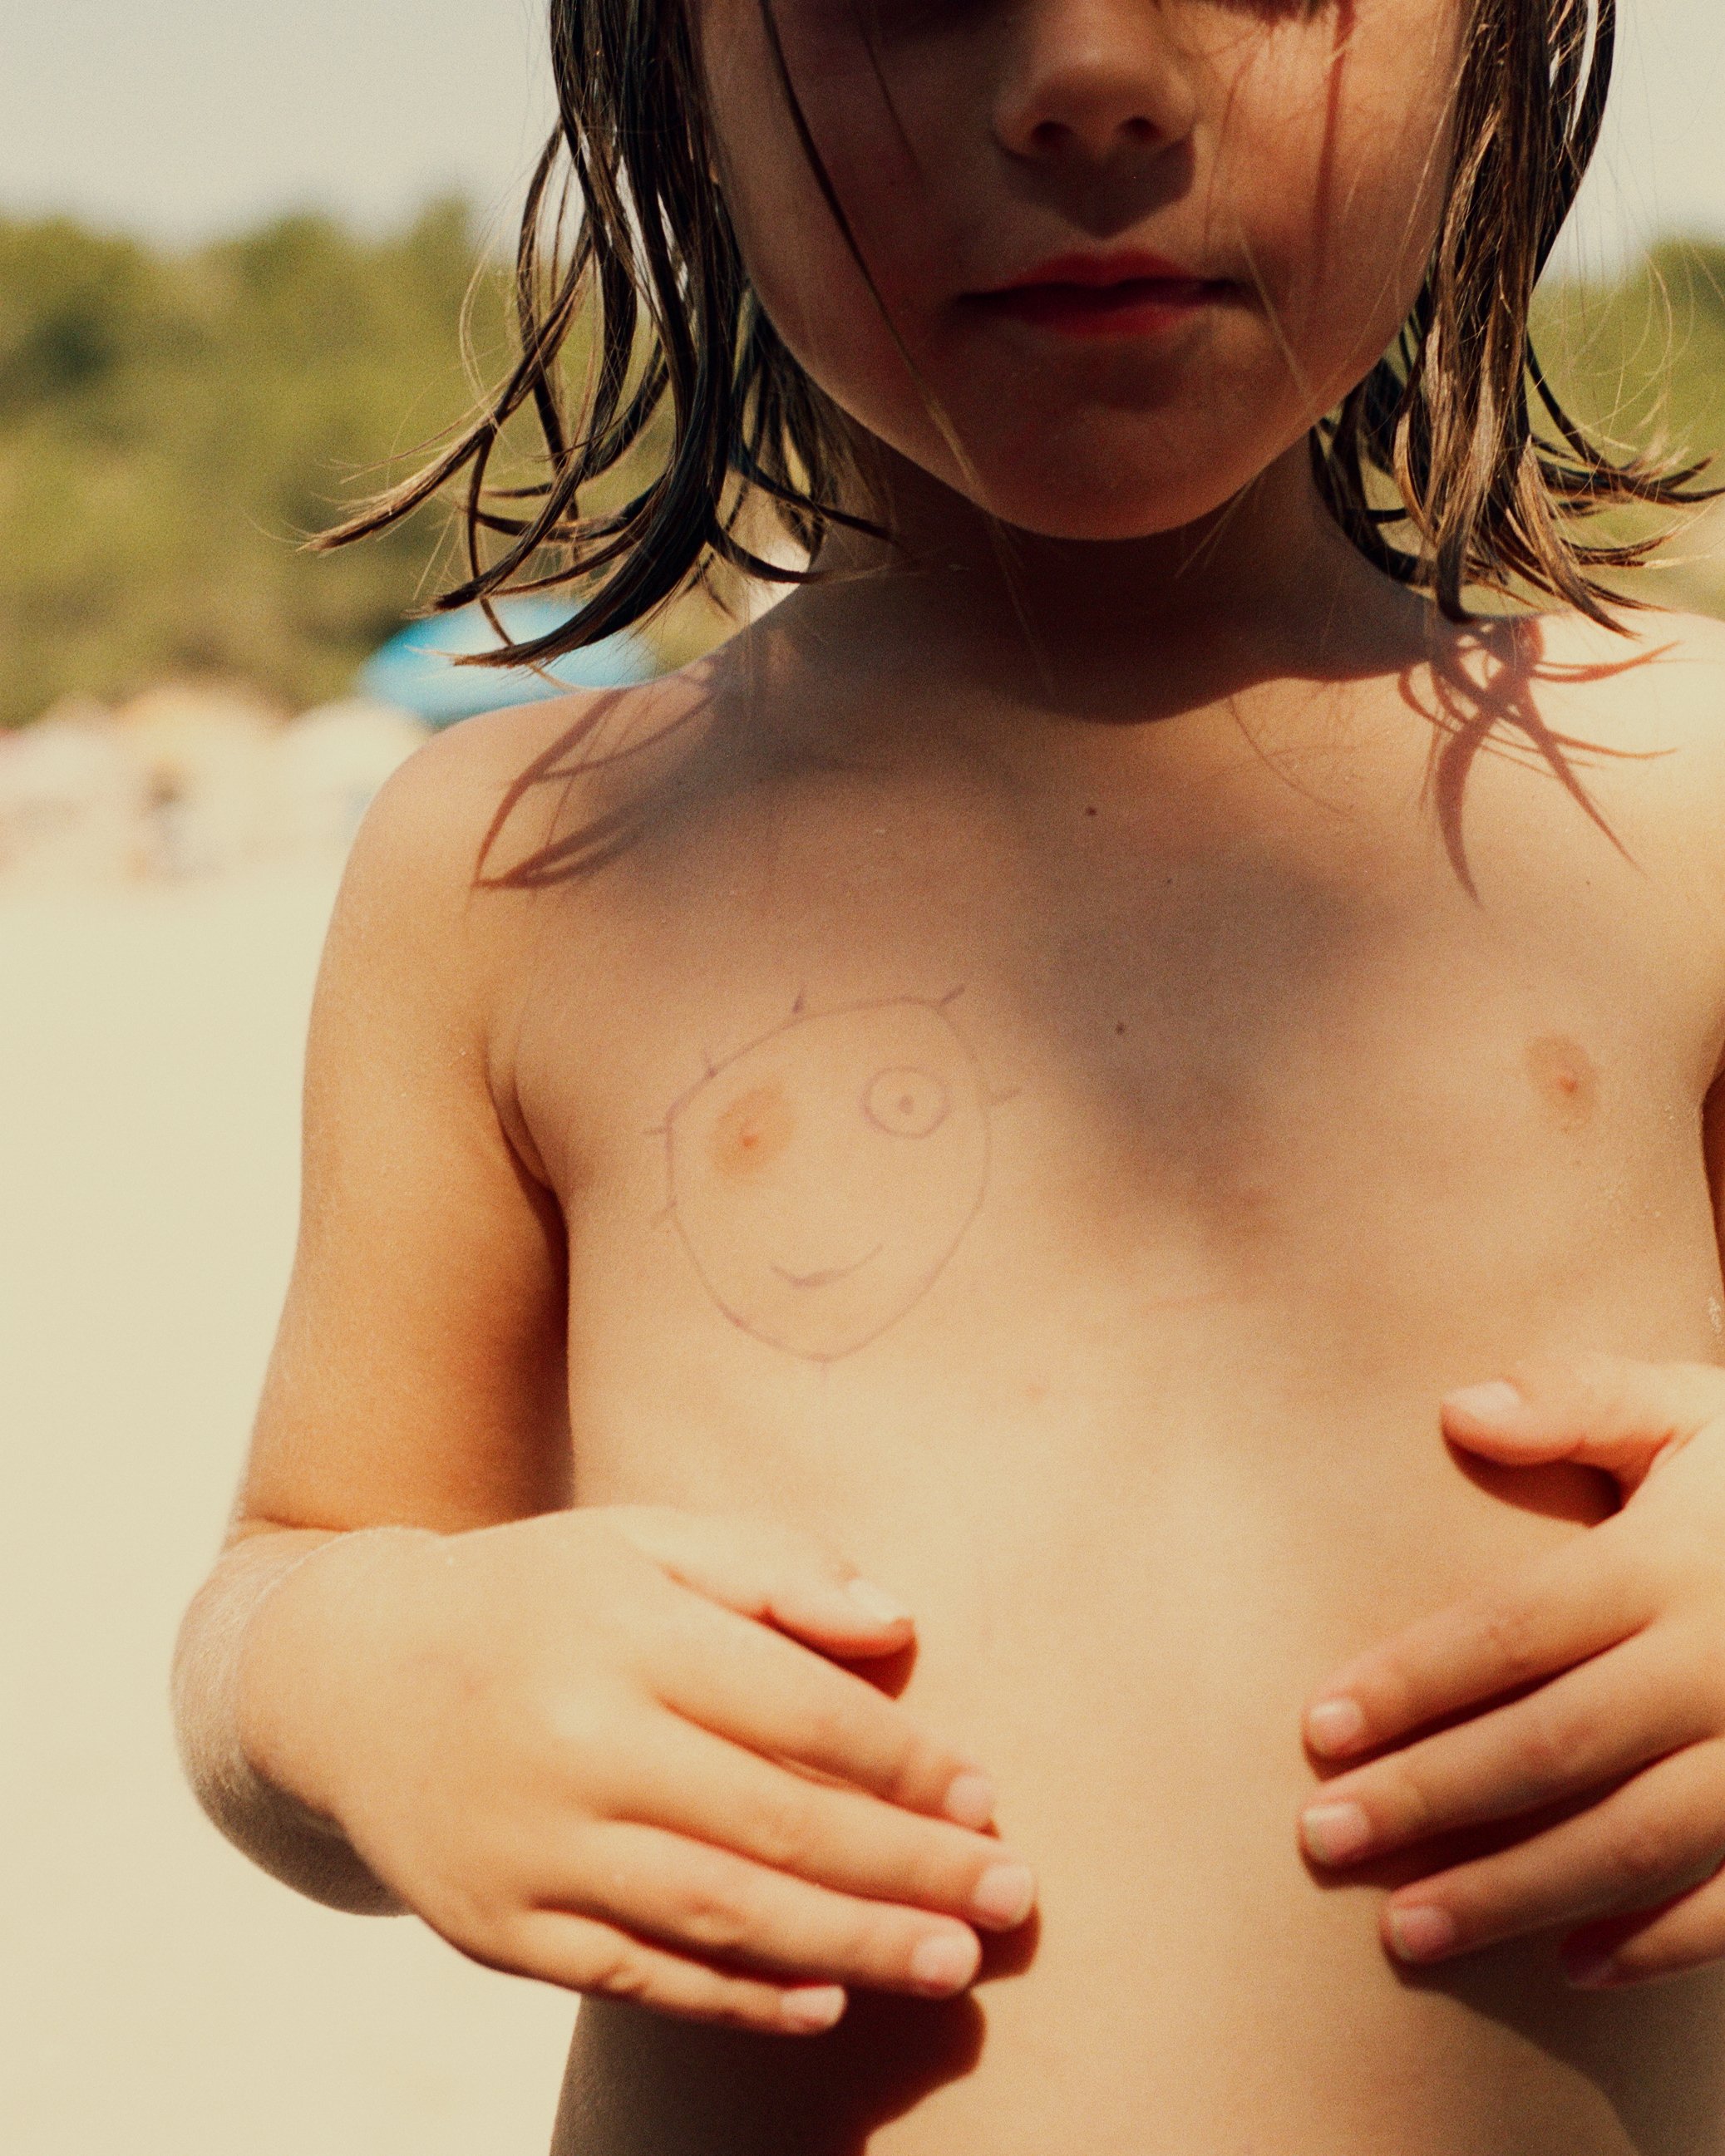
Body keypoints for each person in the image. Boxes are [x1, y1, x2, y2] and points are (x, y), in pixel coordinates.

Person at [173, 0, 1725, 2148]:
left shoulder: (1678, 803)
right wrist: (370, 1682)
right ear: (662, 78)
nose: (1083, 67)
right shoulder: (522, 866)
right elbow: (294, 1563)